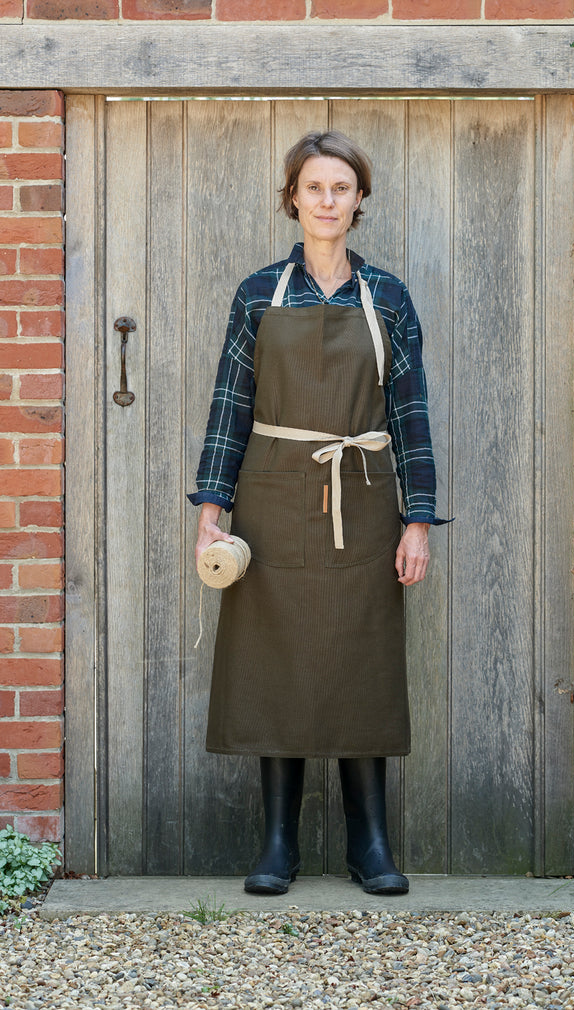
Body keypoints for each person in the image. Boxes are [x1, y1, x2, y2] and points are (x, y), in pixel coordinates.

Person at [189, 130, 446, 896]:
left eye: (342, 188)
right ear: (293, 198)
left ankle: (370, 844)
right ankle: (277, 845)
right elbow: (230, 407)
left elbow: (409, 413)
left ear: (358, 199)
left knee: (362, 662)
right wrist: (211, 507)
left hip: (363, 497)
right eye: (314, 188)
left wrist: (418, 517)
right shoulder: (258, 293)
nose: (327, 200)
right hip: (270, 496)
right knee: (276, 664)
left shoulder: (389, 297)